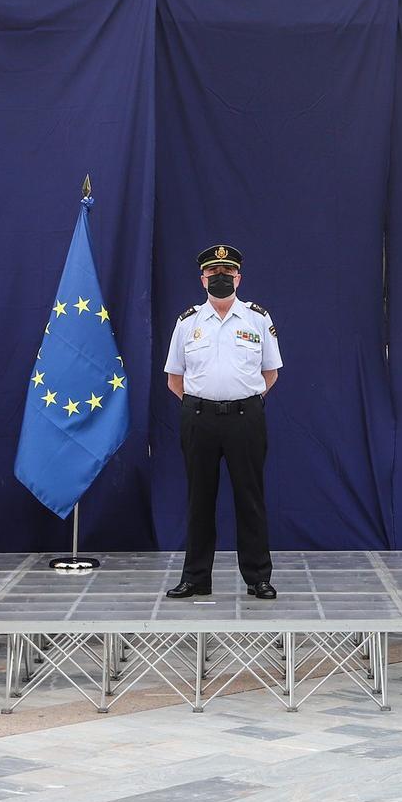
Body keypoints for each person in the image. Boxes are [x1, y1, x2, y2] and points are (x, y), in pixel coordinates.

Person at [164, 244, 283, 600]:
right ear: (202, 280)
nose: (220, 279)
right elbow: (174, 379)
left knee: (250, 498)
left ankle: (258, 577)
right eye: (213, 274)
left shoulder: (258, 319)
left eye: (227, 274)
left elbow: (270, 373)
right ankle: (196, 577)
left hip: (245, 419)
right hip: (199, 419)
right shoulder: (187, 322)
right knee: (199, 499)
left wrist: (242, 399)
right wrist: (203, 402)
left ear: (238, 278)